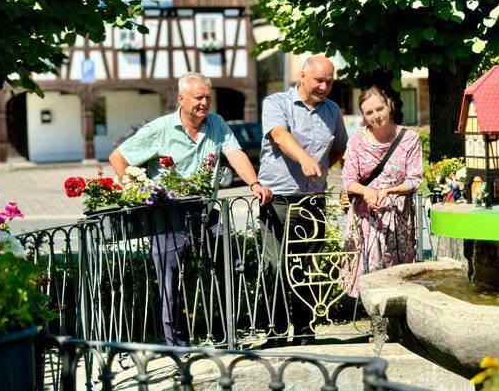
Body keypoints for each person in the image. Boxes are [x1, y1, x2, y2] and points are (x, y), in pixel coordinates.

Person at [109, 71, 272, 346]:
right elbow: (118, 157)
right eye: (199, 97)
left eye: (208, 97)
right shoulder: (159, 129)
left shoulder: (217, 124)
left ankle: (226, 335)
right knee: (171, 283)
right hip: (167, 217)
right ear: (181, 99)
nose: (205, 103)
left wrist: (254, 182)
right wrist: (138, 191)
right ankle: (178, 346)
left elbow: (235, 154)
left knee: (231, 266)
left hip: (206, 212)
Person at [257, 55, 348, 346]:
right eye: (319, 80)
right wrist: (305, 159)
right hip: (279, 197)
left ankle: (305, 330)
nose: (324, 86)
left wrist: (320, 170)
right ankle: (277, 332)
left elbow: (340, 148)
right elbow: (280, 135)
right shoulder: (276, 103)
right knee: (276, 266)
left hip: (312, 199)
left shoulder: (333, 110)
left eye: (329, 81)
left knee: (307, 265)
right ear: (303, 76)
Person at [341, 86, 423, 298]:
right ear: (364, 116)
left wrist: (388, 191)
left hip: (398, 221)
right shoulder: (357, 140)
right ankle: (377, 328)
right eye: (369, 112)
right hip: (366, 219)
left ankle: (396, 328)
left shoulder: (409, 139)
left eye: (379, 109)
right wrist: (367, 191)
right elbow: (348, 179)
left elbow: (414, 179)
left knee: (398, 277)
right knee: (369, 273)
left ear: (389, 105)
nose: (376, 116)